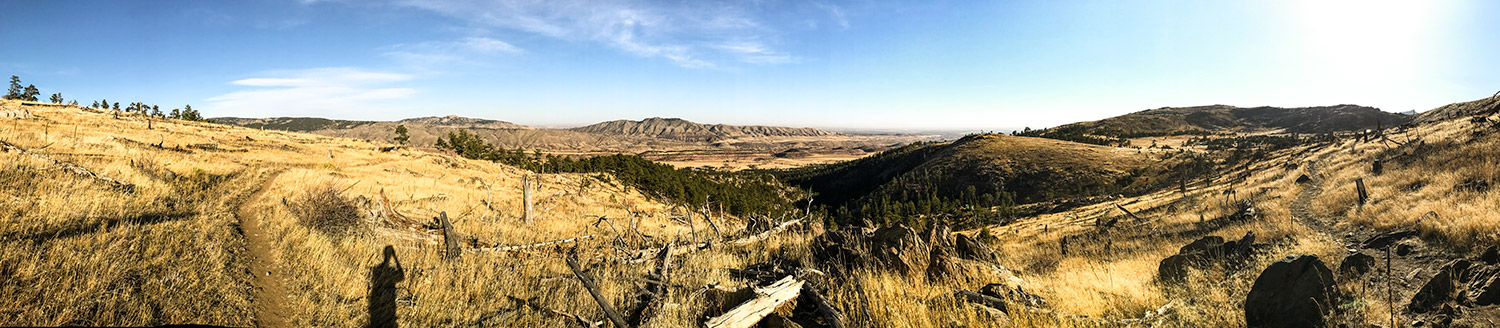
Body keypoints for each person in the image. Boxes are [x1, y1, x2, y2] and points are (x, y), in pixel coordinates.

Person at [368, 245, 405, 328]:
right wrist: (396, 259)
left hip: (378, 300)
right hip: (388, 300)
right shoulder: (391, 270)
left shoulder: (377, 269)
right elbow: (401, 276)